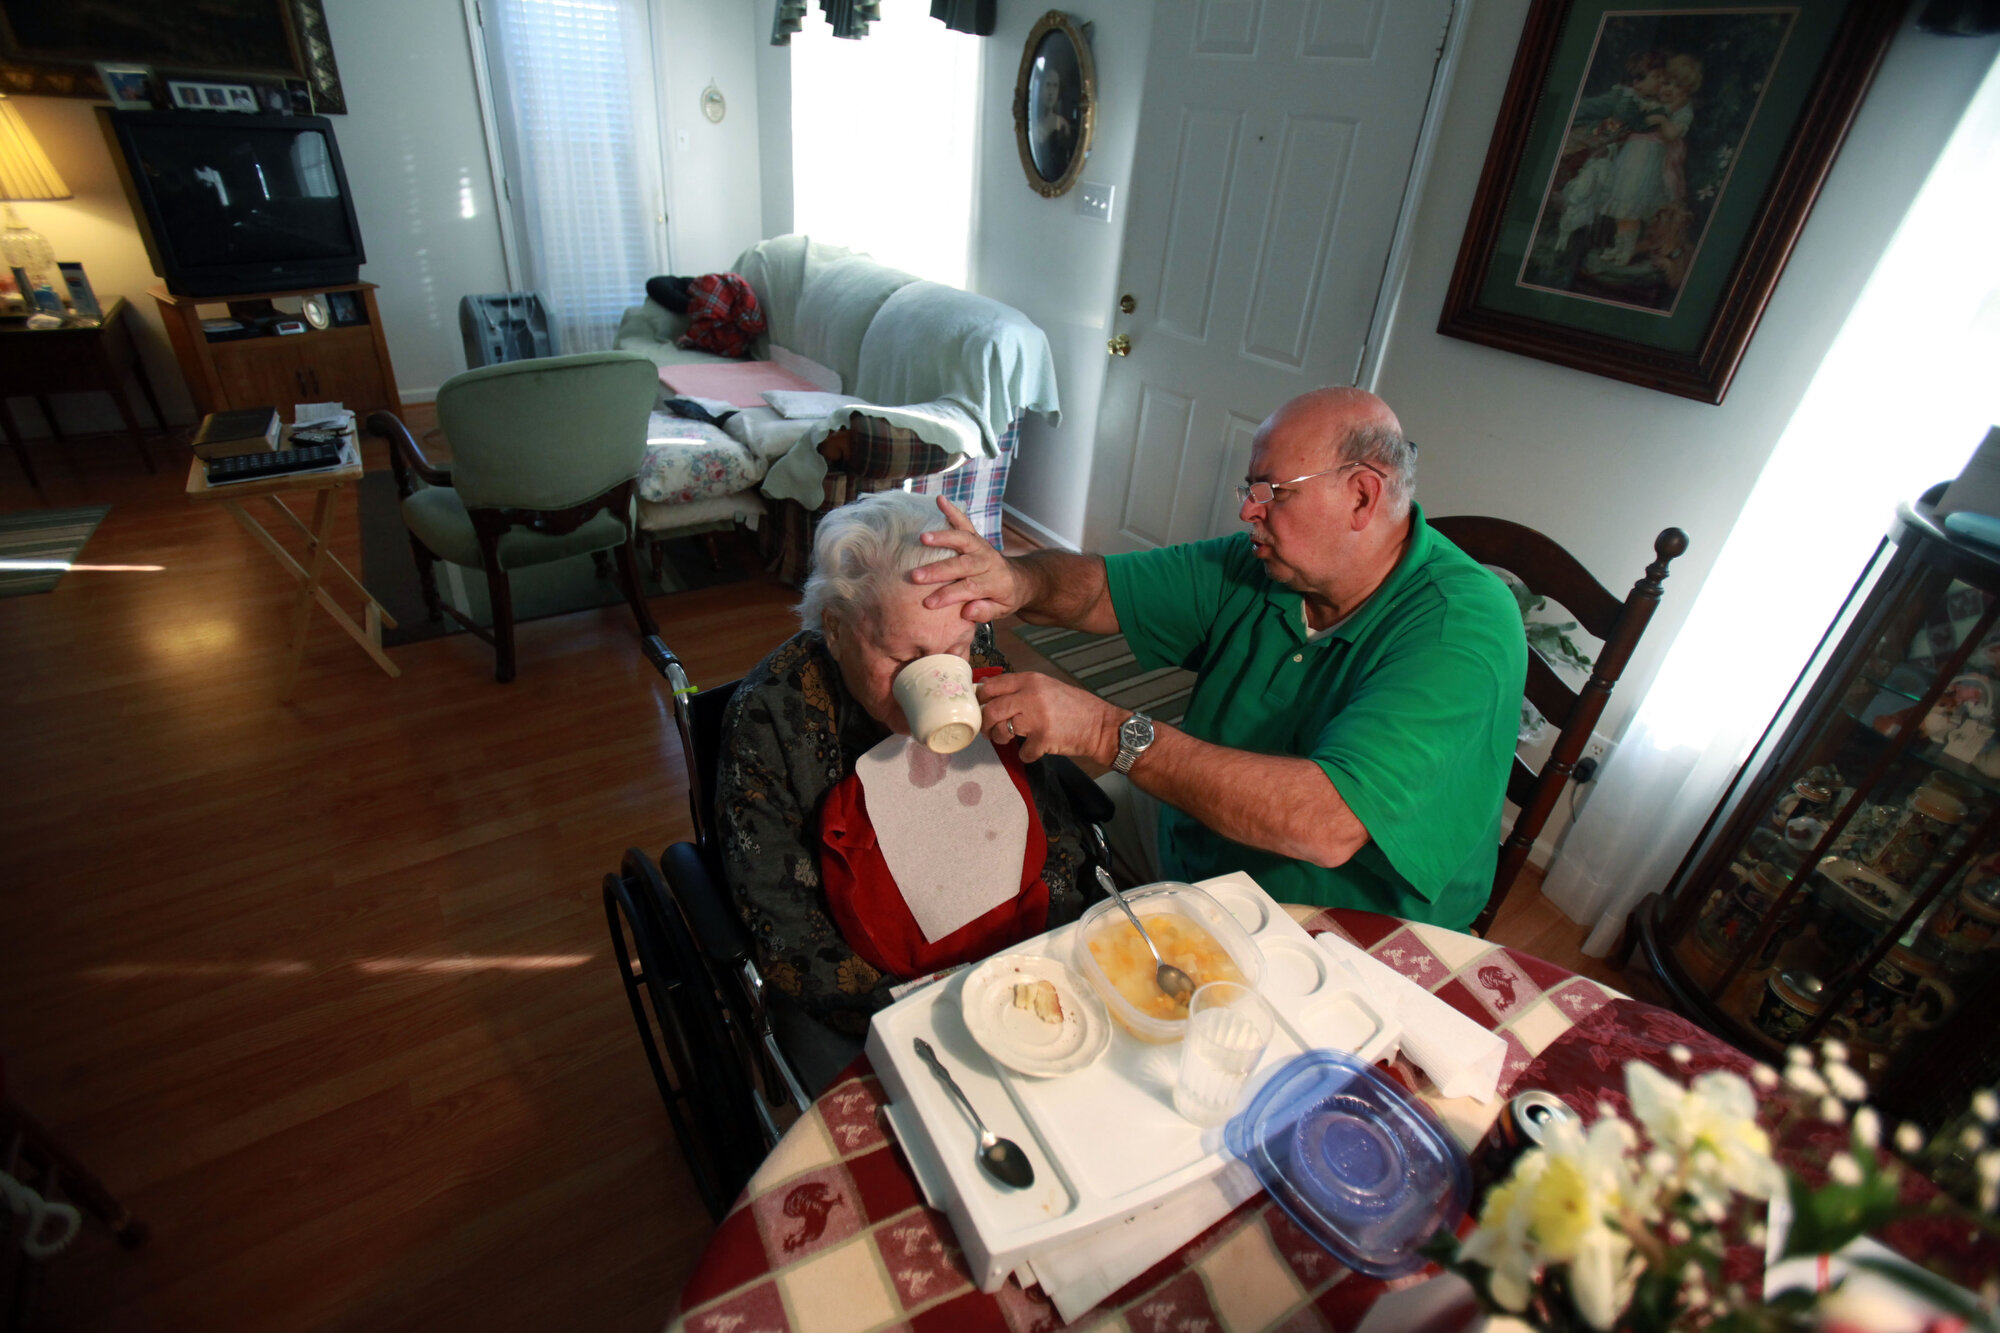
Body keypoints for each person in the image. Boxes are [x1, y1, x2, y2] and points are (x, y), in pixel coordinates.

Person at [911, 387, 1526, 929]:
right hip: (1198, 833)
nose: (1248, 510)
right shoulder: (1263, 566)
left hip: (1332, 918)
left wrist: (1106, 730)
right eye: (1250, 488)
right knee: (1014, 835)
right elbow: (1101, 587)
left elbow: (1324, 823)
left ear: (1362, 497)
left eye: (1272, 492)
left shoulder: (1461, 629)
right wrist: (1019, 582)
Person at [714, 491, 1101, 1035]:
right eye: (904, 658)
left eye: (958, 648)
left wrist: (1054, 951)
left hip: (1022, 961)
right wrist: (916, 1013)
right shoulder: (770, 717)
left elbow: (1042, 818)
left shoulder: (981, 665)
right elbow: (787, 926)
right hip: (893, 1000)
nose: (942, 679)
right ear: (837, 627)